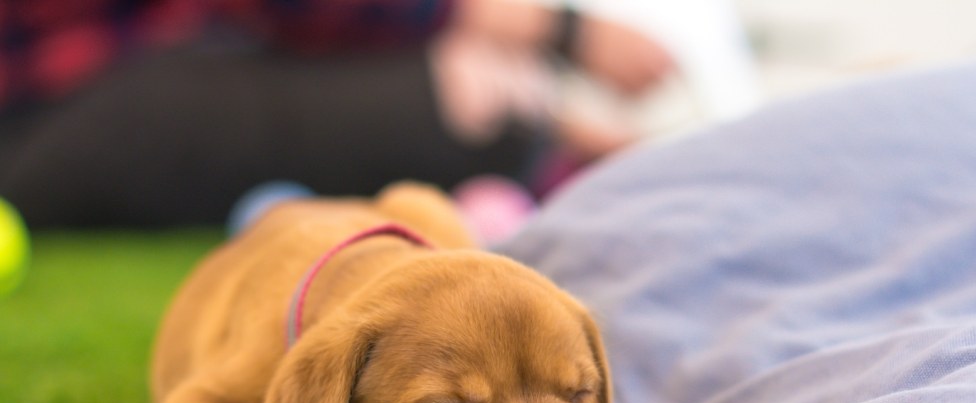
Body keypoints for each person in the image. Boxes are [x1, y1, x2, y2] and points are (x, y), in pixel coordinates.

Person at [0, 0, 675, 228]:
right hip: (38, 120)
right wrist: (555, 28)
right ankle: (547, 156)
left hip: (85, 95)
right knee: (461, 106)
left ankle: (557, 154)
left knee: (484, 93)